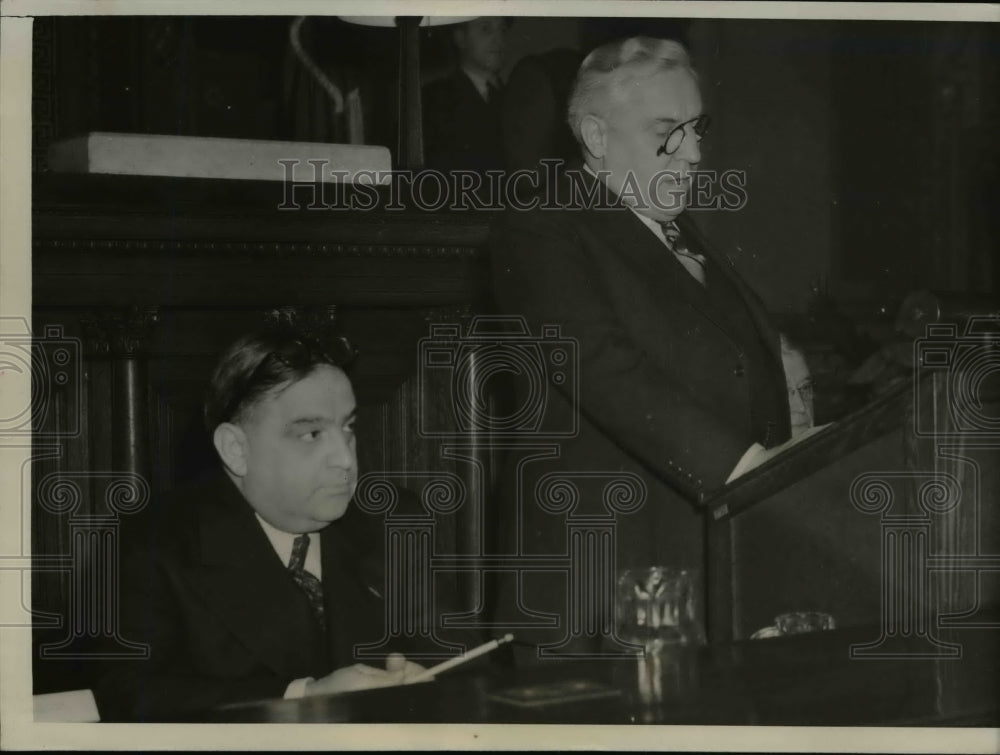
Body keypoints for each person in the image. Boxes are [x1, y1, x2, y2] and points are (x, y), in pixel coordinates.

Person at [490, 37, 797, 658]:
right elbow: (603, 368)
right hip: (595, 603)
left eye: (696, 129)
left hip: (698, 576)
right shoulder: (542, 225)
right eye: (667, 131)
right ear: (597, 137)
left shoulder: (680, 232)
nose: (695, 153)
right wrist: (753, 472)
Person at [94, 329, 466, 721]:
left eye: (348, 427)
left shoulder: (395, 521)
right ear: (237, 450)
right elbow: (127, 694)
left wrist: (429, 687)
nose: (345, 458)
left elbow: (465, 662)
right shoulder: (154, 543)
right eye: (311, 434)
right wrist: (303, 696)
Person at [423, 17, 508, 174]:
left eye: (502, 30)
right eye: (485, 28)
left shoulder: (517, 97)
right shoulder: (434, 99)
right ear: (460, 38)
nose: (499, 39)